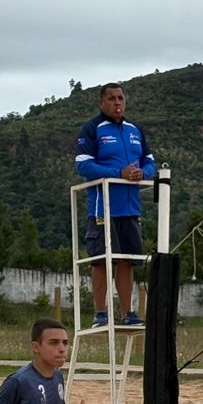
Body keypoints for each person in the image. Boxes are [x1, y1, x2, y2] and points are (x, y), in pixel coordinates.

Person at [75, 83, 156, 328]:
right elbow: (83, 165)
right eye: (111, 98)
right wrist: (117, 172)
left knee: (127, 260)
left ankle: (127, 313)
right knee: (101, 260)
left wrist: (143, 173)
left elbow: (150, 162)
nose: (117, 102)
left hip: (130, 208)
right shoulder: (92, 129)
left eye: (121, 98)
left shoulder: (135, 129)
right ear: (102, 103)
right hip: (103, 207)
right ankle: (101, 313)